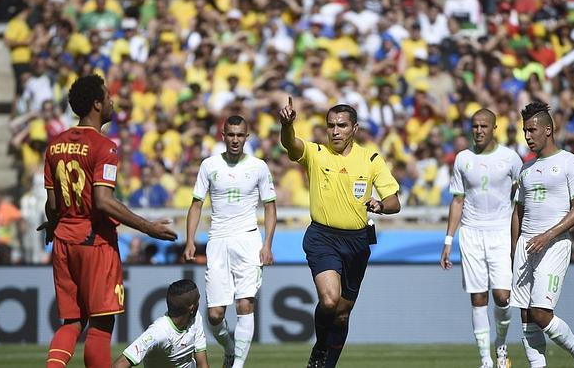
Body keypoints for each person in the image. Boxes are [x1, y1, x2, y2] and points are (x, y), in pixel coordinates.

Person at [41, 74, 177, 368]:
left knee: (72, 321)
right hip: (95, 242)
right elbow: (103, 201)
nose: (113, 101)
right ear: (97, 104)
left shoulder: (55, 145)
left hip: (64, 241)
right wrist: (148, 227)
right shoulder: (105, 147)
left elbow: (52, 206)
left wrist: (53, 224)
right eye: (108, 96)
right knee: (101, 325)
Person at [278, 98, 400, 368]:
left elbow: (395, 201)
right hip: (322, 237)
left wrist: (380, 205)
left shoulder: (370, 159)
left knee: (342, 314)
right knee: (330, 299)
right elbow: (291, 144)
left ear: (354, 129)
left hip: (357, 242)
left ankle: (327, 363)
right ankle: (320, 348)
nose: (335, 131)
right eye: (331, 125)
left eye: (341, 126)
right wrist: (287, 125)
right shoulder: (317, 153)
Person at [184, 115, 277, 368]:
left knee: (245, 303)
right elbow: (196, 204)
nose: (235, 139)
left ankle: (237, 366)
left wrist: (267, 244)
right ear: (223, 136)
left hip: (248, 240)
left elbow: (270, 207)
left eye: (240, 135)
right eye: (231, 134)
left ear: (247, 137)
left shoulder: (258, 167)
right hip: (218, 241)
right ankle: (228, 348)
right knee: (215, 315)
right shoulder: (209, 165)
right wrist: (190, 240)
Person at [511, 102, 574, 368]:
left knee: (541, 312)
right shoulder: (525, 169)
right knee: (526, 314)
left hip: (554, 244)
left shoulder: (571, 163)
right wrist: (513, 248)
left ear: (548, 130)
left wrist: (547, 235)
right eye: (525, 131)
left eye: (532, 130)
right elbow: (518, 211)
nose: (527, 136)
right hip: (526, 245)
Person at [441, 109, 522, 368]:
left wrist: (518, 236)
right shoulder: (463, 159)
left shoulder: (510, 158)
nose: (478, 131)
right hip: (471, 233)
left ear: (494, 128)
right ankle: (485, 359)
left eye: (483, 126)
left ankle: (501, 344)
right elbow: (457, 200)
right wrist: (448, 240)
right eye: (474, 126)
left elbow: (522, 196)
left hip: (500, 232)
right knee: (478, 297)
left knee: (502, 296)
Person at [111, 279, 209, 368]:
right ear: (192, 308)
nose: (199, 303)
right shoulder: (159, 332)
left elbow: (202, 363)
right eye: (198, 300)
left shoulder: (196, 318)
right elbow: (120, 364)